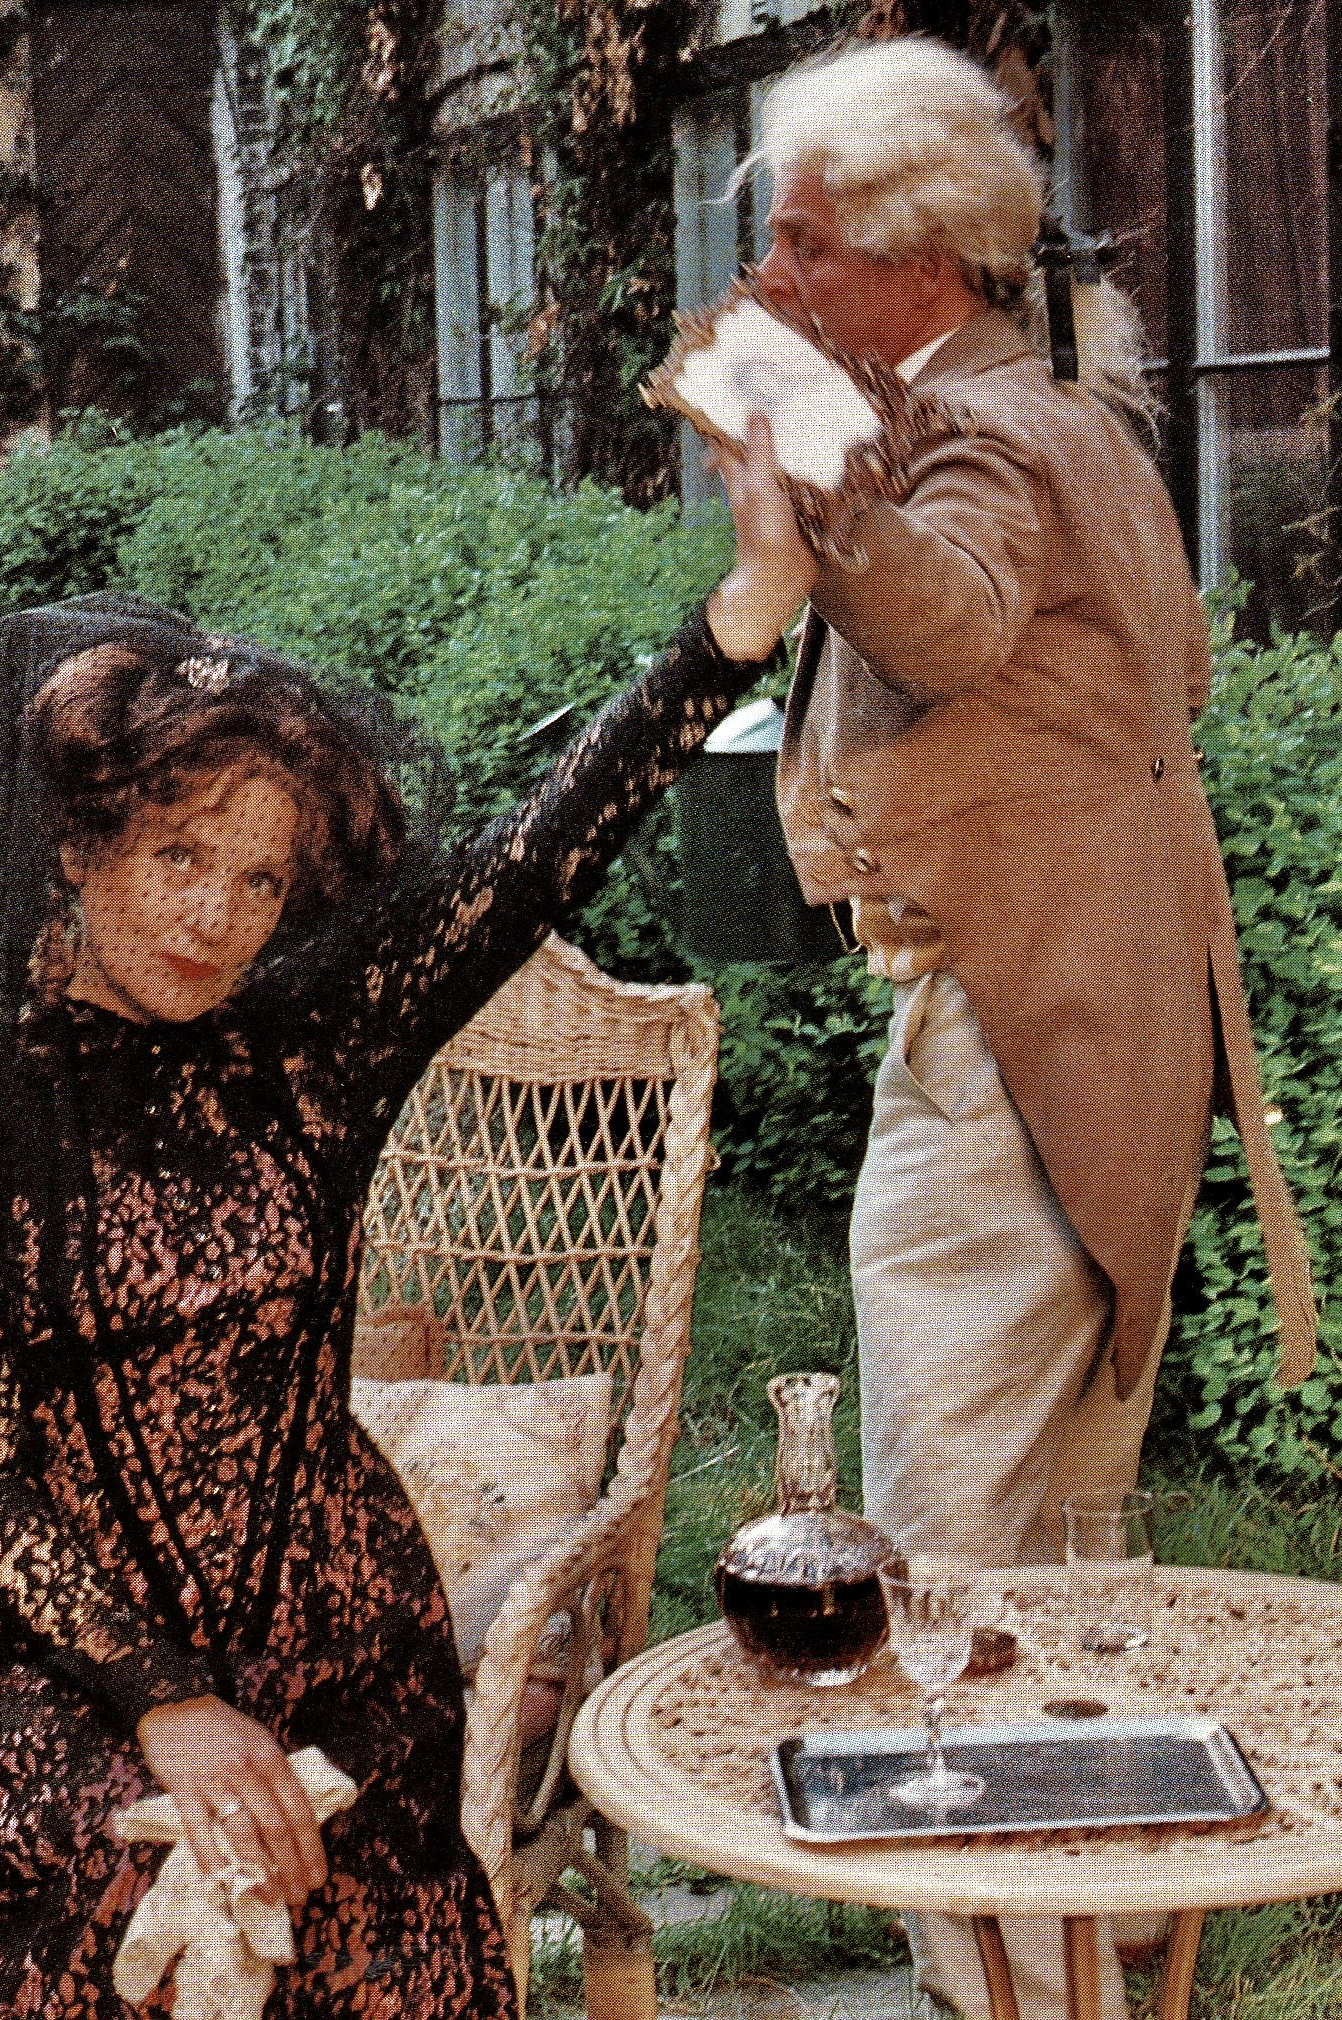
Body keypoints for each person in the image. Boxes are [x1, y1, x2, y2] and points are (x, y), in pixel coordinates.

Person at [0, 453, 809, 2015]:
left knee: (313, 1918)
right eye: (179, 856)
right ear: (75, 848)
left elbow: (535, 855)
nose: (217, 917)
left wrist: (744, 615)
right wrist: (164, 1703)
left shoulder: (314, 1061)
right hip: (44, 1648)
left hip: (326, 1638)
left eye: (262, 877)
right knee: (111, 1902)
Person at [747, 34, 1317, 2020]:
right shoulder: (1051, 406)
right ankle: (1091, 1953)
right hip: (1104, 1014)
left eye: (804, 244)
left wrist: (809, 481)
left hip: (1012, 1037)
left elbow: (953, 616)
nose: (768, 278)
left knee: (935, 1550)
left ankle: (995, 1976)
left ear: (920, 256)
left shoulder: (979, 435)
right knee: (1074, 1543)